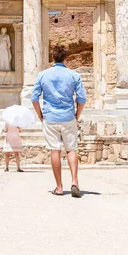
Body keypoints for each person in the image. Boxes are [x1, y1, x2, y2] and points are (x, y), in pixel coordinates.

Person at [31, 45, 86, 198]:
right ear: (66, 58)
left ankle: (59, 187)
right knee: (71, 150)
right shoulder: (74, 75)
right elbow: (81, 99)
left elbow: (34, 98)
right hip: (68, 116)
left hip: (50, 117)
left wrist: (41, 115)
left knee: (55, 151)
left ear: (52, 57)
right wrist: (77, 115)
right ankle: (75, 181)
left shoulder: (43, 75)